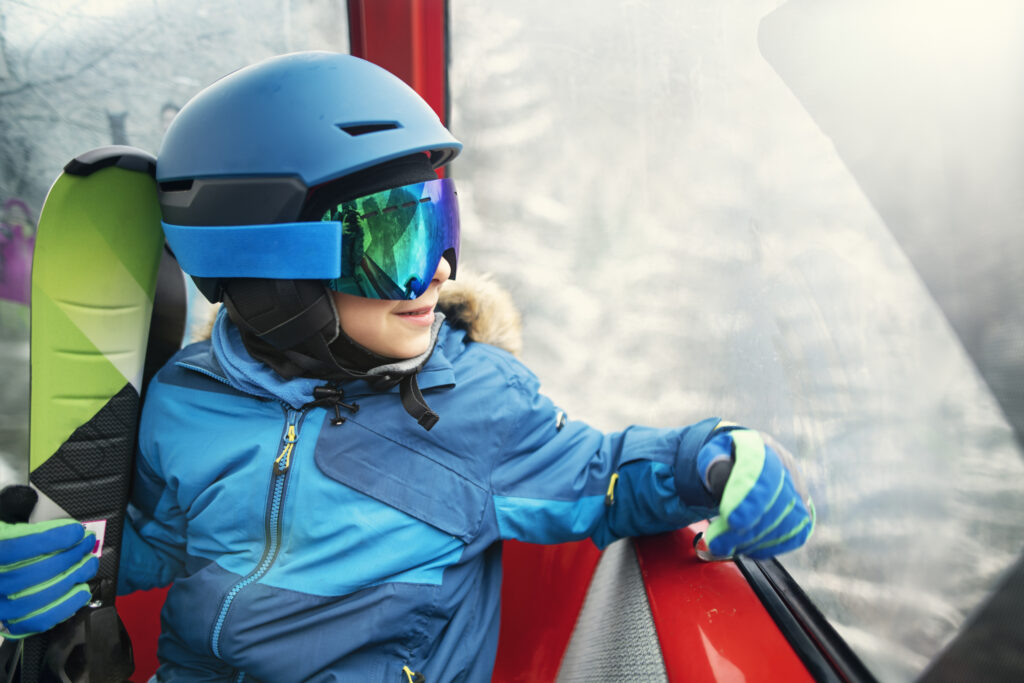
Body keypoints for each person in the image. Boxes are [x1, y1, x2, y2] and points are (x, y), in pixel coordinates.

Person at [0, 52, 815, 681]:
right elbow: (167, 541)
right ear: (268, 267)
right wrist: (69, 567)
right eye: (397, 243)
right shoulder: (189, 402)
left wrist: (717, 457)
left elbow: (606, 475)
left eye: (439, 226)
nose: (437, 274)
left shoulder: (477, 409)